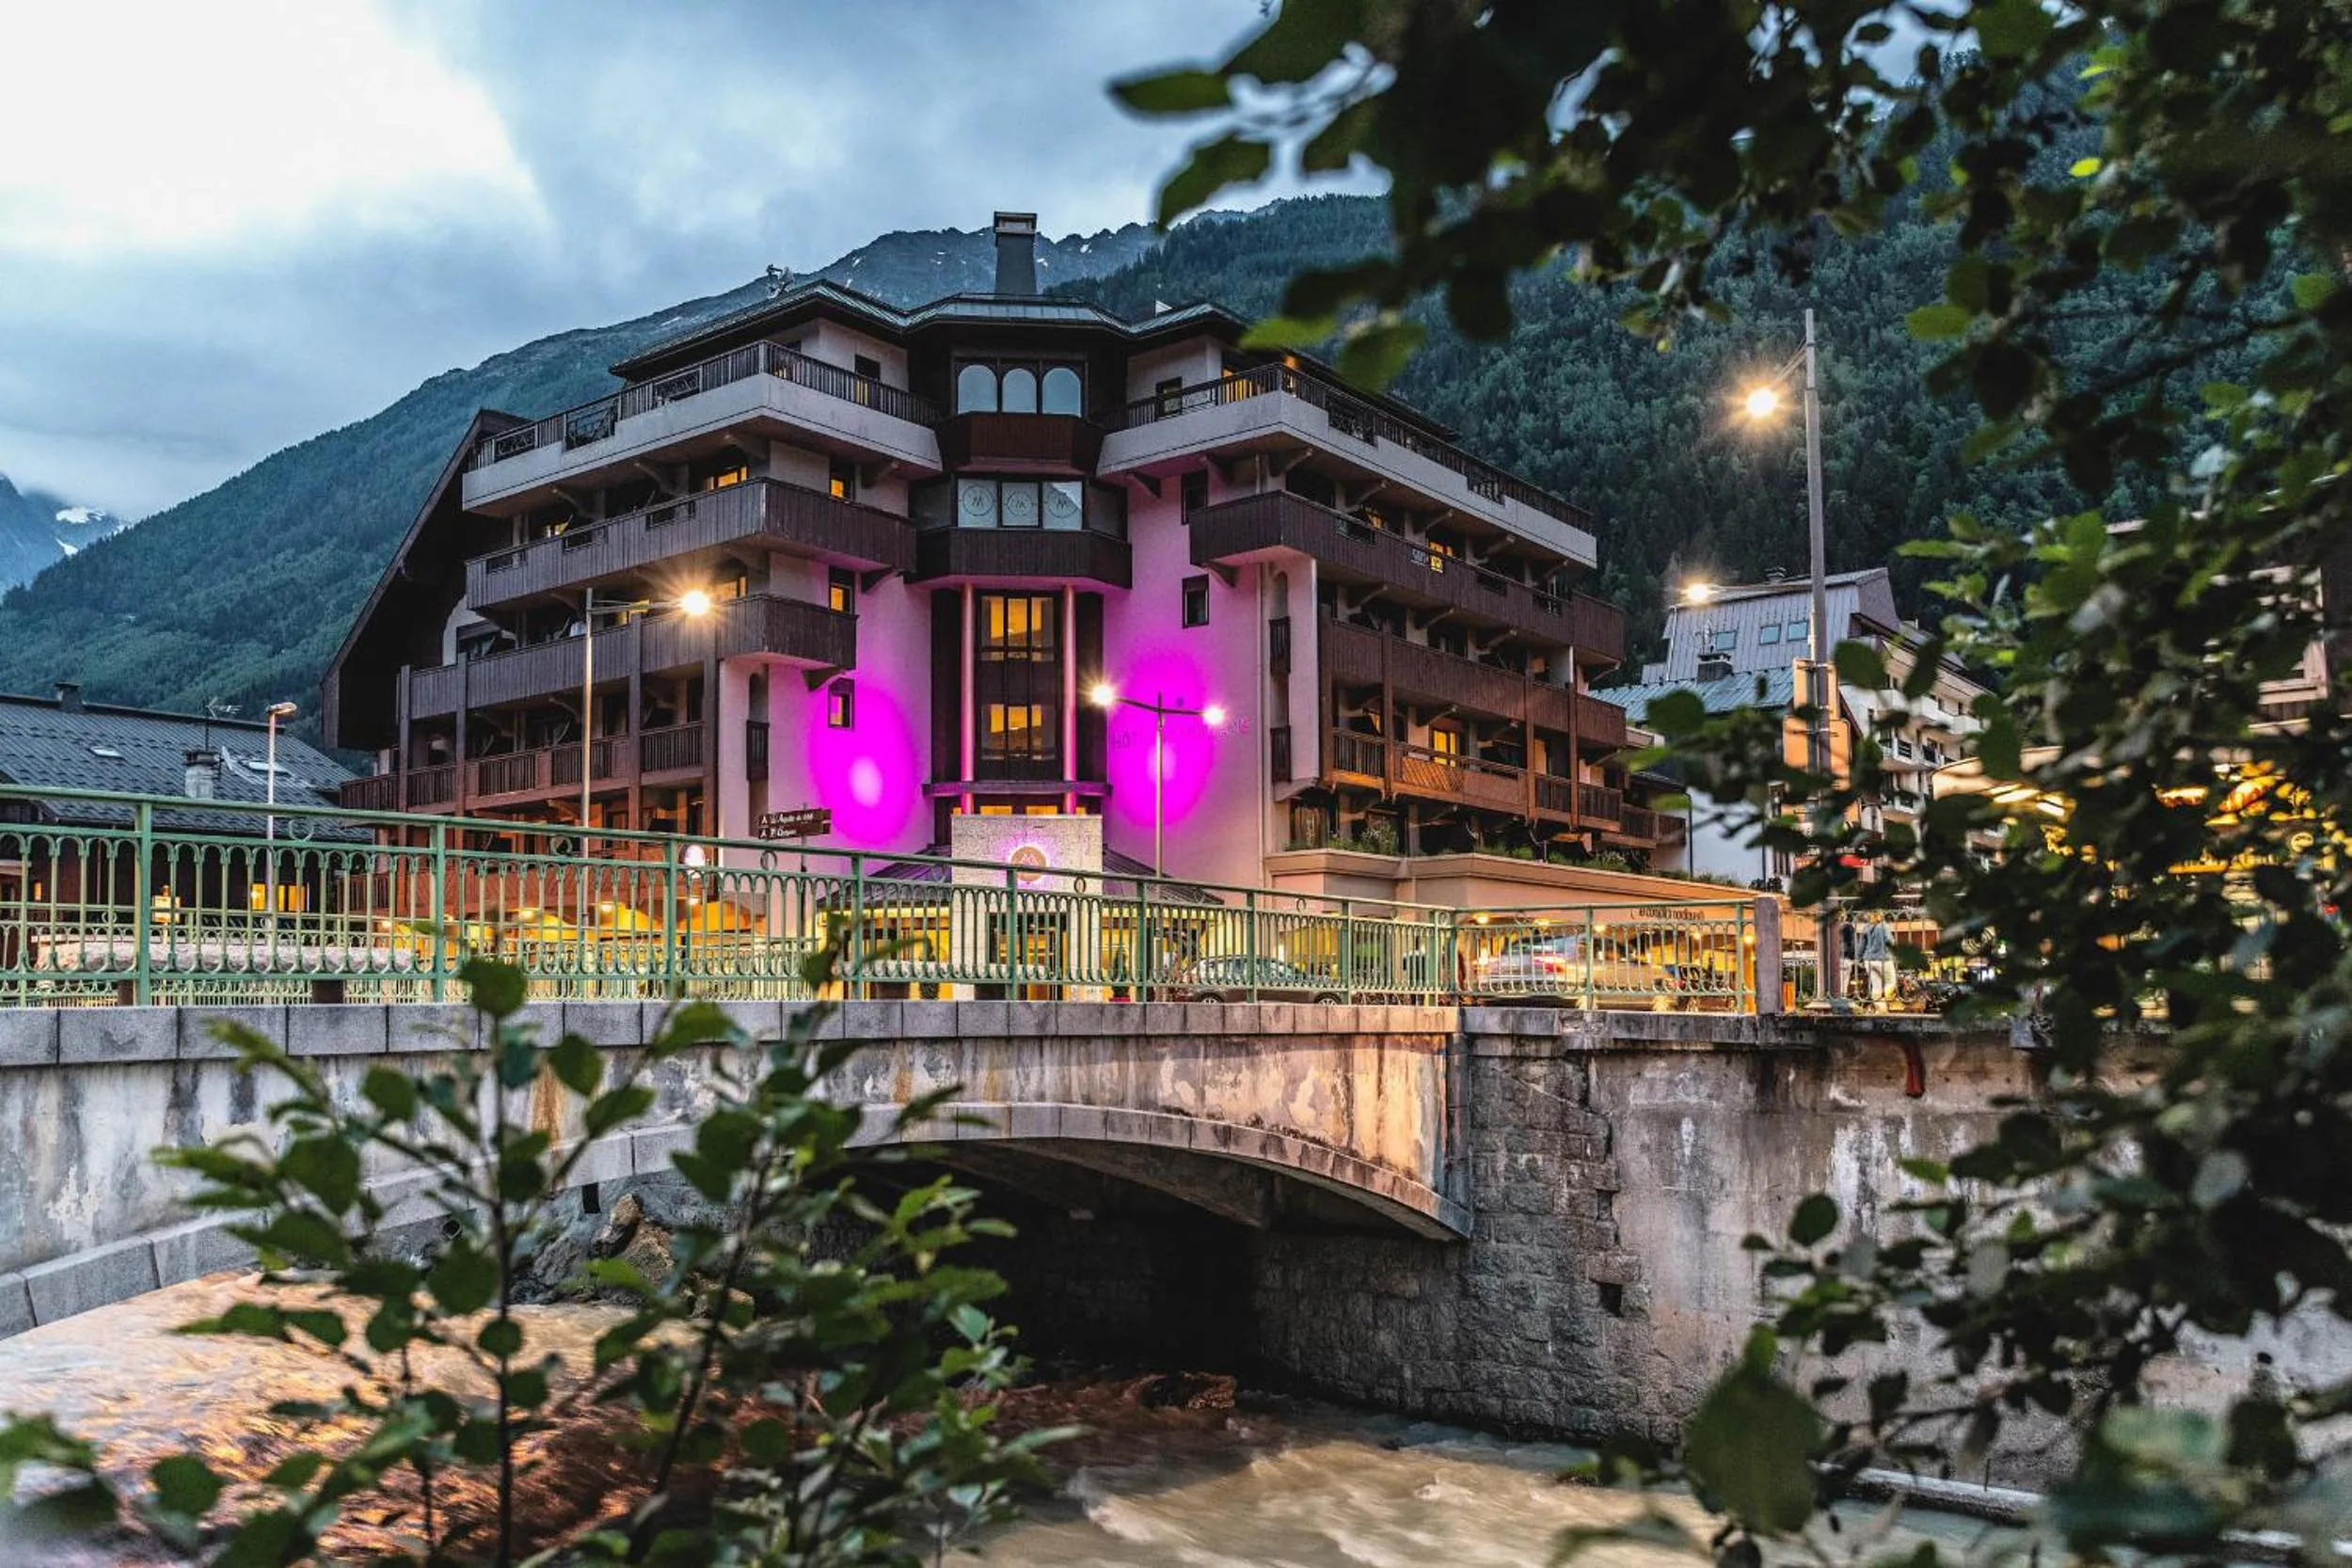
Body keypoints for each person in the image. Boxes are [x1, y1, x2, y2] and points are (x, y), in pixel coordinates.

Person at [1857, 915, 1896, 1009]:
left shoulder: (1866, 927)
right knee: (1891, 982)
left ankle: (1880, 1008)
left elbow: (1861, 945)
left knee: (1876, 985)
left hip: (1869, 960)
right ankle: (1885, 1000)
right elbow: (1890, 941)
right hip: (1883, 959)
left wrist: (1859, 958)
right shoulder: (1884, 926)